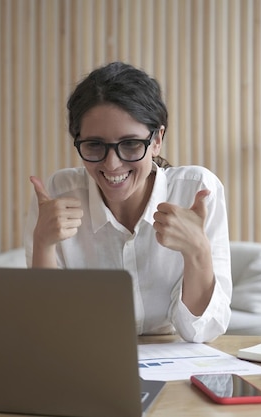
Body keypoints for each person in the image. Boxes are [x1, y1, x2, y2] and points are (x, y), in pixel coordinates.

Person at [24, 62, 231, 343]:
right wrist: (43, 244)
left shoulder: (196, 191)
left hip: (173, 360)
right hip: (89, 356)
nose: (112, 164)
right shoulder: (56, 194)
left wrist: (198, 252)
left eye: (131, 144)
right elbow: (47, 327)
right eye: (95, 145)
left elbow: (202, 332)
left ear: (157, 140)